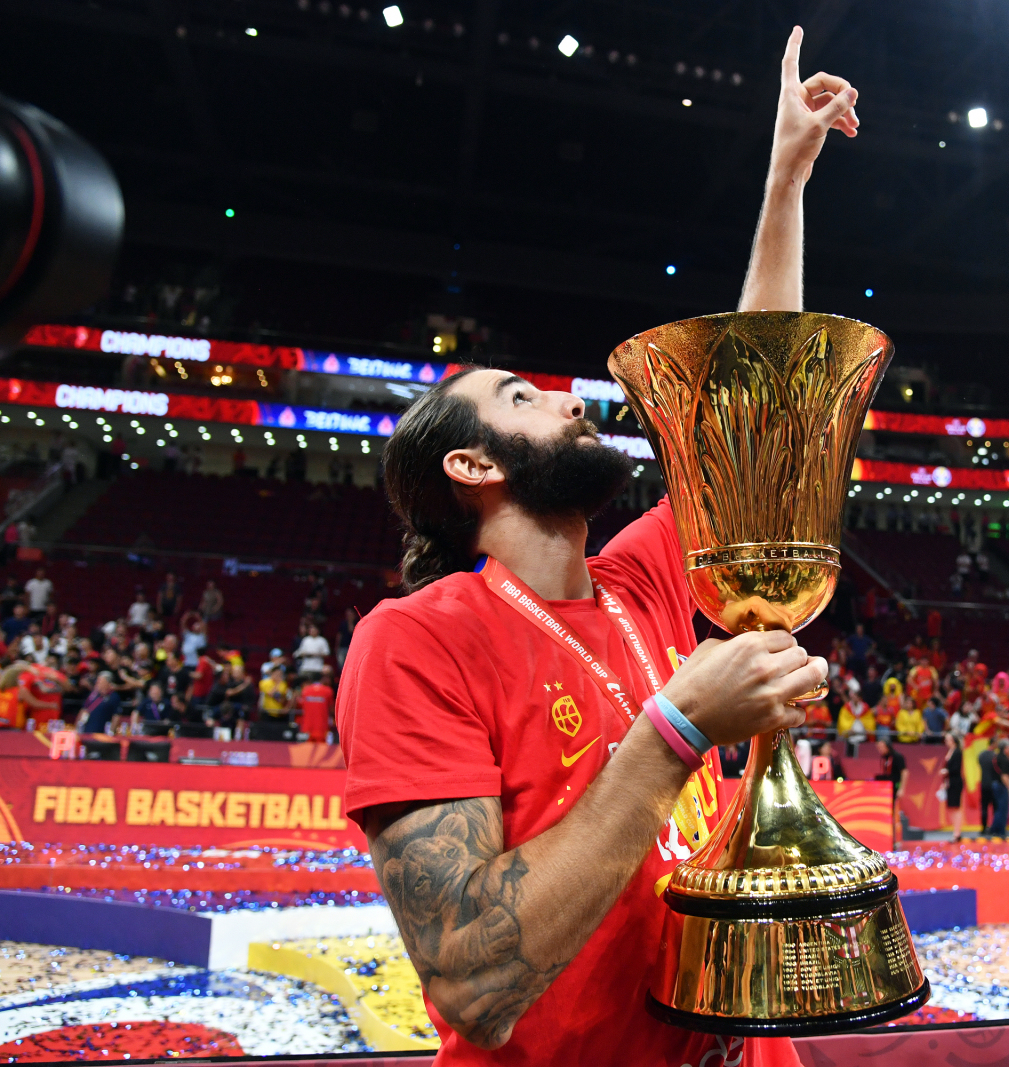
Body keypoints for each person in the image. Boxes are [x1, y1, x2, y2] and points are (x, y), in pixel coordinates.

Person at [336, 34, 853, 1064]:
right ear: (474, 469)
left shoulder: (640, 579)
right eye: (522, 398)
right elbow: (475, 980)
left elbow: (749, 408)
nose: (569, 396)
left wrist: (784, 181)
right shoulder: (414, 642)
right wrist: (675, 730)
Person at [874, 739, 908, 845]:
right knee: (887, 814)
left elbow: (905, 772)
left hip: (895, 788)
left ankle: (895, 840)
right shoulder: (884, 758)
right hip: (886, 790)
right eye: (878, 748)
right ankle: (887, 839)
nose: (879, 750)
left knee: (894, 815)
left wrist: (902, 788)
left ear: (887, 746)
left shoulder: (897, 757)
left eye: (881, 747)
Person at [297, 666, 336, 743]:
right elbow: (332, 709)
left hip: (307, 727)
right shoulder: (328, 691)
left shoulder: (305, 690)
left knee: (306, 752)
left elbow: (300, 706)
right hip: (322, 728)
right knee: (322, 753)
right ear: (322, 679)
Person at [940, 731, 966, 842]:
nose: (946, 742)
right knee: (951, 807)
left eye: (948, 739)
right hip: (949, 782)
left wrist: (946, 771)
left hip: (955, 782)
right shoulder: (950, 752)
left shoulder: (957, 752)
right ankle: (955, 830)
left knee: (956, 807)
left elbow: (956, 768)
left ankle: (957, 832)